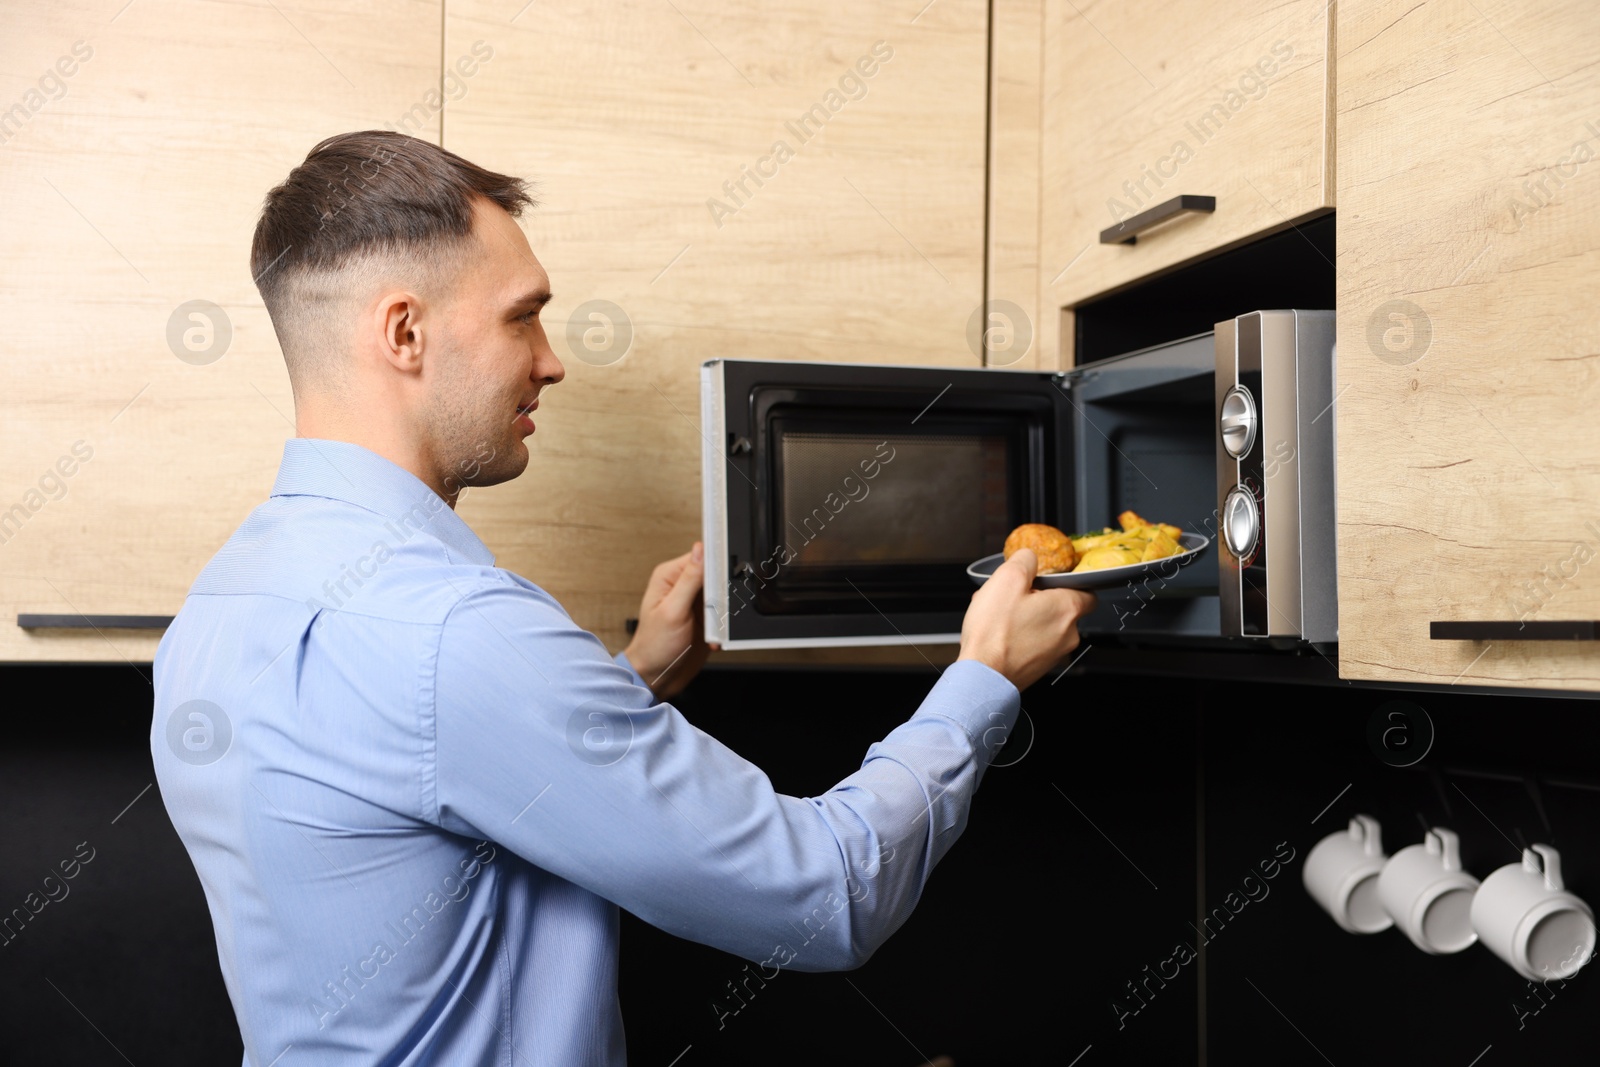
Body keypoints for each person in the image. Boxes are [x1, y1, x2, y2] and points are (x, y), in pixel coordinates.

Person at [151, 130, 1095, 1066]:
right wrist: (985, 677)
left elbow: (421, 776)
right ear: (405, 332)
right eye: (524, 316)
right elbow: (828, 894)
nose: (552, 360)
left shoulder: (220, 602)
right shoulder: (461, 631)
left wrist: (633, 673)